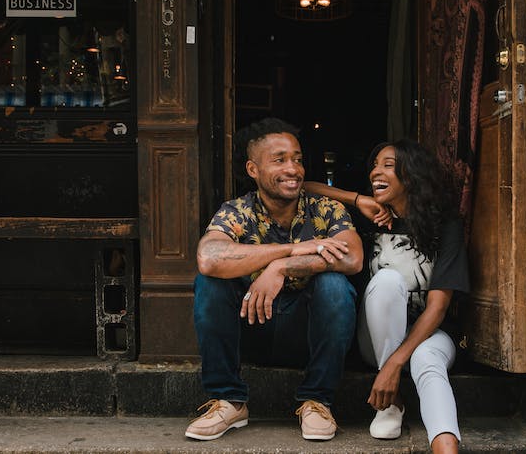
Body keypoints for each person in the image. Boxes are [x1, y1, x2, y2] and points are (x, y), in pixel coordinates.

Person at [186, 118, 364, 442]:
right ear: (253, 169)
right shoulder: (236, 211)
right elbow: (209, 258)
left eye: (296, 158)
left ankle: (317, 402)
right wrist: (292, 249)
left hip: (305, 331)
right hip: (251, 325)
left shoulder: (325, 208)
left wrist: (280, 267)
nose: (293, 168)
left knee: (336, 286)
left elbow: (352, 257)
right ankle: (229, 400)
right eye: (279, 160)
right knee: (208, 283)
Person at [304, 139, 469, 454]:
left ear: (413, 175)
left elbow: (437, 308)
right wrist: (358, 200)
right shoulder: (370, 218)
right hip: (374, 340)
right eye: (375, 165)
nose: (376, 172)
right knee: (388, 280)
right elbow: (305, 188)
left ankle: (446, 447)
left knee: (427, 360)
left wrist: (394, 365)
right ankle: (390, 404)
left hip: (430, 333)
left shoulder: (444, 226)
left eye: (388, 165)